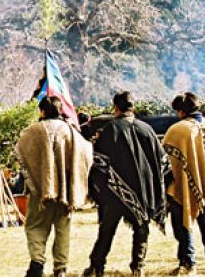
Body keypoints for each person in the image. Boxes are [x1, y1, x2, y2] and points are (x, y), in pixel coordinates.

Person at [82, 91, 170, 277]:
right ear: (133, 107)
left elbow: (98, 161)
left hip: (116, 191)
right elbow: (163, 162)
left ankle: (97, 266)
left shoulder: (111, 129)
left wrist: (100, 189)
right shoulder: (147, 129)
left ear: (116, 108)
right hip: (143, 190)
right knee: (142, 228)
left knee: (107, 230)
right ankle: (138, 266)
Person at [17, 96, 92, 277]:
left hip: (40, 192)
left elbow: (21, 151)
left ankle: (37, 262)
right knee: (62, 228)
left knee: (35, 226)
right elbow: (87, 153)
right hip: (66, 192)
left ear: (42, 111)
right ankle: (61, 268)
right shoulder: (72, 132)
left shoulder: (32, 131)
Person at [163, 92, 205, 275]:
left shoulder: (177, 130)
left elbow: (165, 162)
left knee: (183, 225)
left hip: (182, 185)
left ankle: (188, 263)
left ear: (182, 111)